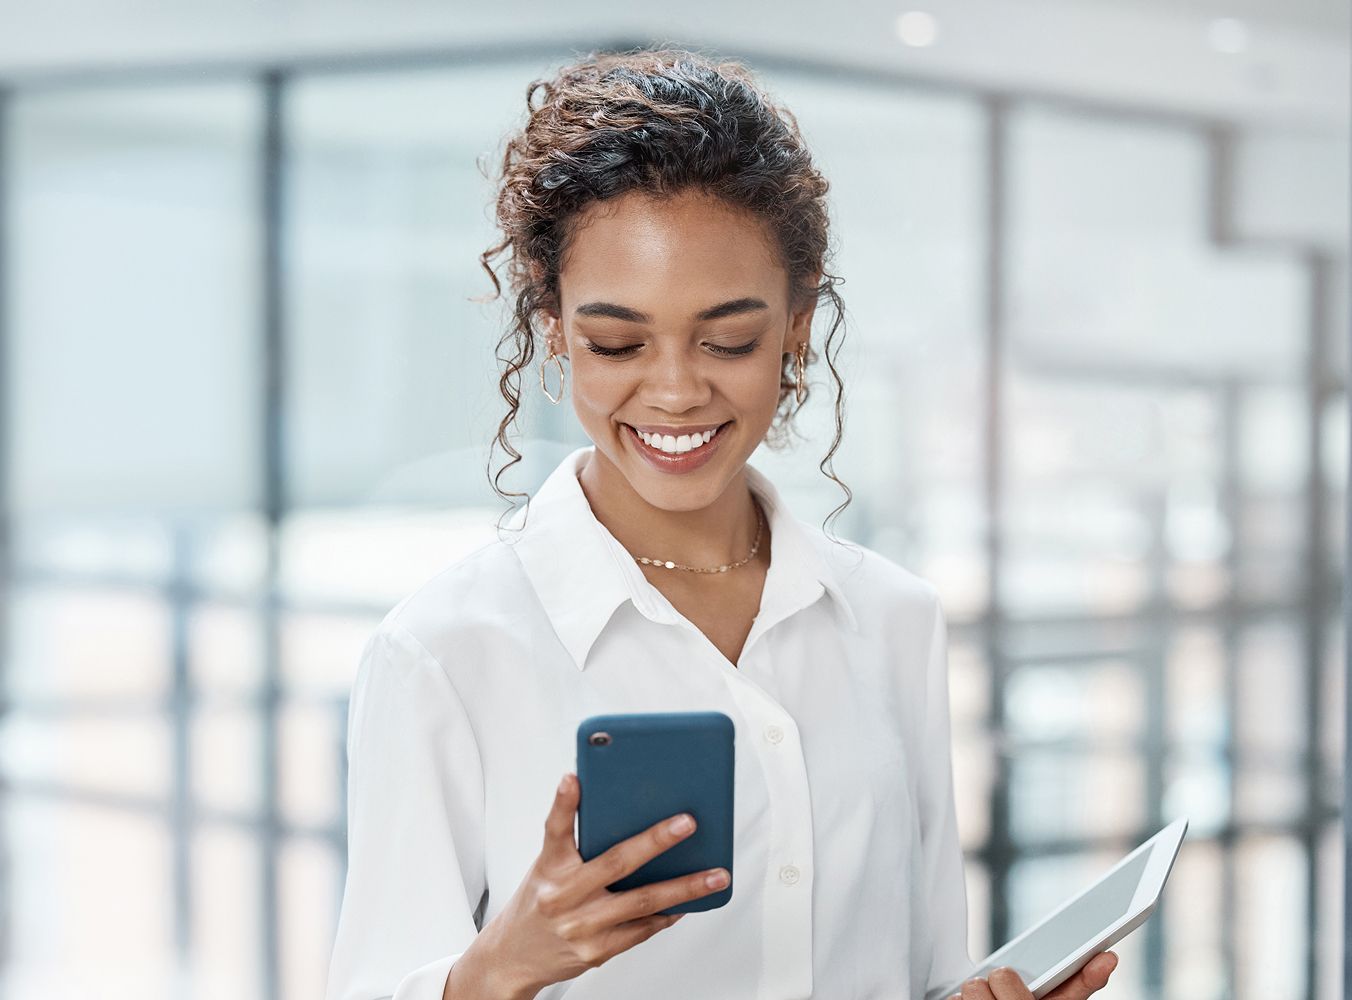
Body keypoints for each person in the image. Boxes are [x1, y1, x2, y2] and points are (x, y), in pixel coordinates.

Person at [323, 47, 1120, 1000]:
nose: (674, 390)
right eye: (616, 342)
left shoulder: (894, 620)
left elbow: (922, 968)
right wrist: (496, 972)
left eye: (729, 339)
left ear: (796, 320)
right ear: (549, 319)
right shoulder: (445, 654)